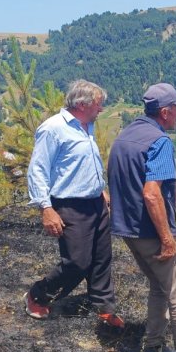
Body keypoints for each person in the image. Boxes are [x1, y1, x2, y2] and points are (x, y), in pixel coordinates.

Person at [108, 83, 176, 352]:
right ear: (164, 112)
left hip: (129, 230)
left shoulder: (125, 136)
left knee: (159, 288)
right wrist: (167, 239)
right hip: (154, 232)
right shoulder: (160, 142)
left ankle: (152, 346)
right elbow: (152, 194)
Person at [24, 79, 124, 329]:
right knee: (77, 262)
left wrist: (100, 189)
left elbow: (81, 164)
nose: (101, 110)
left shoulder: (85, 126)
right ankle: (38, 295)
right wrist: (46, 208)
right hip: (69, 205)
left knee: (102, 258)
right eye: (98, 105)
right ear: (81, 104)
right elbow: (37, 170)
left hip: (95, 203)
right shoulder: (53, 129)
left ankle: (104, 307)